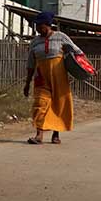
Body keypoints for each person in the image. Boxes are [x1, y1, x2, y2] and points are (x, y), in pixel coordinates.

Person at [23, 11, 82, 145]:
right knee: (40, 103)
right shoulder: (35, 42)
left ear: (47, 25)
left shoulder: (61, 37)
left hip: (59, 77)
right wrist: (27, 83)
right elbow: (30, 64)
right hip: (41, 77)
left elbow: (77, 52)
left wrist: (81, 66)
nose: (37, 28)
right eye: (36, 26)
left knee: (58, 104)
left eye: (39, 25)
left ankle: (56, 134)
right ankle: (39, 135)